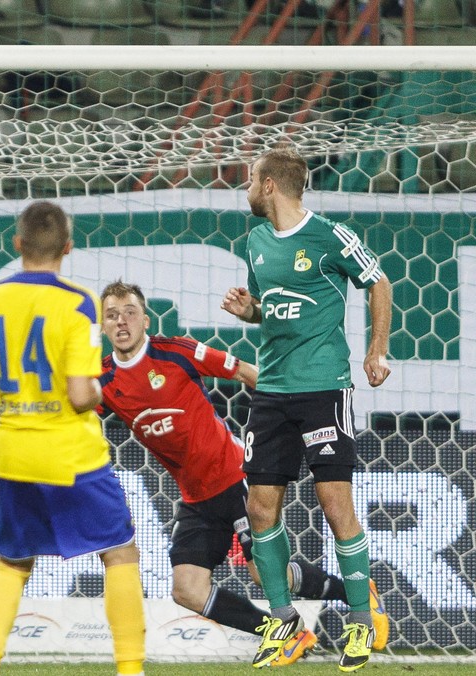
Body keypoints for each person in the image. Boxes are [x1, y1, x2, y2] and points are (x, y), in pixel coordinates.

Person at [98, 279, 388, 666]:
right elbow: (75, 420)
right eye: (112, 315)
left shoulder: (177, 352)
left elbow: (247, 373)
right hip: (195, 497)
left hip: (236, 477)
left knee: (264, 575)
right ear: (101, 326)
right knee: (186, 589)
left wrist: (280, 431)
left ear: (145, 319)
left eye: (130, 312)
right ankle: (288, 633)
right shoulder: (102, 382)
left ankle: (355, 591)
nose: (122, 322)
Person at [221, 146, 393, 672]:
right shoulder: (255, 241)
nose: (246, 189)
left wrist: (376, 349)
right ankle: (283, 623)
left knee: (335, 504)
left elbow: (378, 282)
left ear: (270, 185)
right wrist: (248, 310)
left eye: (251, 179)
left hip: (323, 387)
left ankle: (362, 625)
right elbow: (267, 309)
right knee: (259, 508)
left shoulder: (329, 236)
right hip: (272, 391)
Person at [0, 201, 146, 676]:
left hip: (17, 453)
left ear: (17, 244)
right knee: (120, 551)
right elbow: (81, 395)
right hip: (73, 454)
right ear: (68, 247)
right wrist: (103, 388)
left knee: (14, 563)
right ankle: (130, 669)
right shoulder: (78, 301)